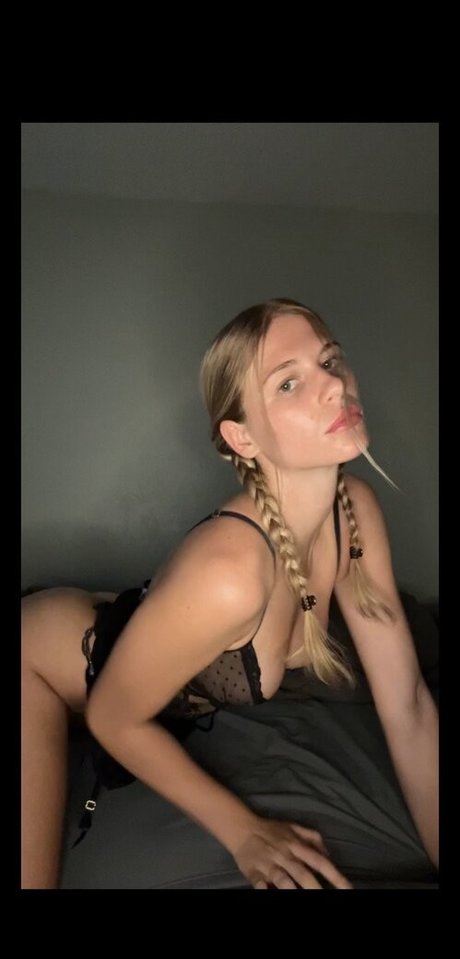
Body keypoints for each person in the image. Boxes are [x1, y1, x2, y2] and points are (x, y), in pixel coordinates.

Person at [21, 298, 439, 890]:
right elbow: (113, 715)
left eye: (330, 361)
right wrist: (244, 832)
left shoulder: (355, 512)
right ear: (241, 437)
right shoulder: (233, 572)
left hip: (138, 625)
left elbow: (409, 705)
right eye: (288, 382)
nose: (333, 386)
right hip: (37, 665)